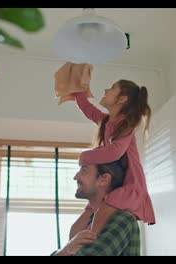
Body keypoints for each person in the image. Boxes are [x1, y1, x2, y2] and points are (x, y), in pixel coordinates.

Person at [69, 79, 155, 238]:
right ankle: (70, 249)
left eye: (112, 88)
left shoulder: (126, 123)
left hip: (128, 184)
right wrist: (78, 93)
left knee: (95, 228)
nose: (106, 89)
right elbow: (89, 110)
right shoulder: (107, 122)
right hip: (113, 185)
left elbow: (115, 151)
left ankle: (90, 248)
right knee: (77, 228)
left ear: (122, 99)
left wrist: (85, 157)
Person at [52, 156, 141, 256]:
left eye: (84, 170)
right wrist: (66, 250)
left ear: (103, 179)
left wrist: (66, 251)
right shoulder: (89, 221)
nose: (76, 177)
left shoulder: (123, 219)